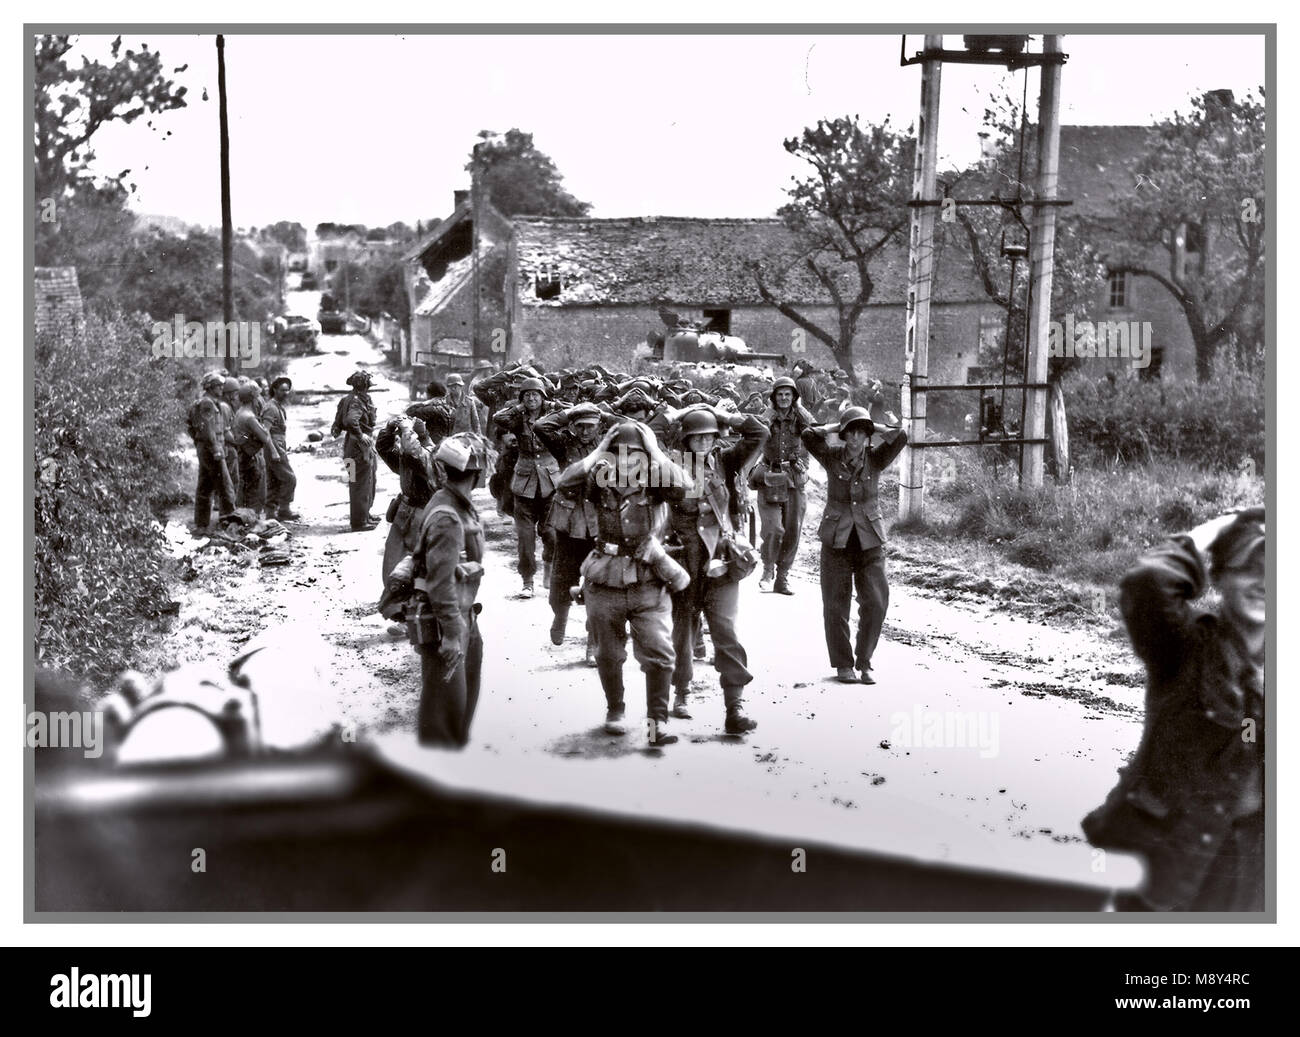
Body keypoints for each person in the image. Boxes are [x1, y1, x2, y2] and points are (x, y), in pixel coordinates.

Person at [1083, 508, 1265, 912]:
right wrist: (1217, 528)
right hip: (1171, 863)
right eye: (1251, 567)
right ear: (1218, 577)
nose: (1265, 582)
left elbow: (1251, 738)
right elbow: (1149, 583)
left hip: (1249, 872)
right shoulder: (1184, 649)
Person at [554, 421, 691, 746]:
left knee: (658, 652)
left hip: (648, 577)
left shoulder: (657, 481)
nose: (627, 459)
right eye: (620, 453)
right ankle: (615, 709)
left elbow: (685, 485)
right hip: (605, 577)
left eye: (635, 453)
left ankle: (656, 725)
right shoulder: (597, 480)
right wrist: (598, 452)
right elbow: (563, 482)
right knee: (608, 653)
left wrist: (657, 452)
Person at [665, 405, 767, 733]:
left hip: (720, 561)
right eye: (696, 438)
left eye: (709, 436)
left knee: (726, 630)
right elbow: (644, 439)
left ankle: (734, 708)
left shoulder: (724, 461)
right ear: (685, 438)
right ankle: (681, 693)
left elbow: (759, 433)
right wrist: (678, 412)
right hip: (684, 561)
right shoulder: (668, 466)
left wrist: (723, 415)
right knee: (682, 631)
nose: (704, 443)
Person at [801, 406, 907, 684]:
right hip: (836, 538)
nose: (856, 439)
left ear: (867, 436)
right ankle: (843, 665)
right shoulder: (831, 456)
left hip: (869, 539)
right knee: (835, 604)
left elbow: (901, 436)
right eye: (851, 433)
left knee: (876, 601)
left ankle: (865, 660)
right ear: (844, 435)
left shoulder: (876, 459)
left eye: (862, 433)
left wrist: (878, 426)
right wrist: (835, 426)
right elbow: (808, 435)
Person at [409, 433, 489, 748]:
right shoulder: (448, 515)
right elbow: (440, 583)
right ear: (477, 472)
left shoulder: (453, 502)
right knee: (444, 713)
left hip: (462, 615)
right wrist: (454, 633)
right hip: (448, 621)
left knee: (459, 710)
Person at [534, 401, 613, 656]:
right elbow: (540, 426)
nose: (585, 432)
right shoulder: (564, 444)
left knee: (598, 584)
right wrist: (570, 412)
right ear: (573, 427)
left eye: (590, 426)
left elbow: (630, 426)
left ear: (599, 427)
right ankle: (561, 615)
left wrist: (604, 413)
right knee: (560, 582)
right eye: (580, 426)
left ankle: (594, 641)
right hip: (569, 522)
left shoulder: (611, 446)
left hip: (599, 523)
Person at [492, 377, 560, 598]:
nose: (532, 398)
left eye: (536, 395)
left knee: (551, 533)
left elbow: (572, 414)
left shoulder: (552, 416)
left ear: (543, 397)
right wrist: (519, 407)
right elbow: (498, 417)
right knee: (525, 537)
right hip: (524, 483)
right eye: (527, 395)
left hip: (550, 482)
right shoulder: (517, 418)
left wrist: (554, 407)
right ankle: (527, 581)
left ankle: (549, 564)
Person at [753, 376, 814, 595]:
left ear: (794, 396)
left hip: (794, 477)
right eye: (780, 394)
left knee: (792, 530)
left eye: (788, 394)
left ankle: (783, 576)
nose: (784, 398)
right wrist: (766, 417)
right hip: (770, 474)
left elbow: (814, 437)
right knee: (773, 528)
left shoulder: (801, 416)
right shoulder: (767, 416)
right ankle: (768, 570)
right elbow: (757, 432)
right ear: (774, 397)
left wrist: (804, 465)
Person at [377, 415, 439, 583]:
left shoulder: (430, 454)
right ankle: (394, 601)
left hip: (422, 514)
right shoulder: (408, 455)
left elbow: (413, 452)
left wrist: (406, 429)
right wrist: (388, 430)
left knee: (421, 567)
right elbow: (384, 449)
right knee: (392, 561)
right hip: (404, 512)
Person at [188, 370, 237, 529]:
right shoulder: (207, 403)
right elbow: (208, 429)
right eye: (218, 386)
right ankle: (230, 523)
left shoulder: (204, 402)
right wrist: (216, 449)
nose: (221, 388)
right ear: (210, 387)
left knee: (205, 485)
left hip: (206, 448)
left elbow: (191, 427)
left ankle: (201, 524)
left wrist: (199, 443)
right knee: (225, 485)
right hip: (212, 449)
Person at [231, 381, 284, 517]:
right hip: (252, 458)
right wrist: (274, 452)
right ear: (253, 398)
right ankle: (252, 521)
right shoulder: (249, 417)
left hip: (242, 456)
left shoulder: (239, 413)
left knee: (245, 490)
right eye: (258, 396)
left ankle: (244, 519)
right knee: (257, 493)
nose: (261, 399)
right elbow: (264, 436)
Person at [337, 370, 380, 531]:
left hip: (353, 446)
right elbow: (350, 420)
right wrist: (361, 435)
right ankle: (359, 521)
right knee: (360, 482)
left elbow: (339, 423)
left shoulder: (349, 398)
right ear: (364, 385)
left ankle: (364, 515)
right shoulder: (357, 401)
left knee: (366, 480)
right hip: (358, 447)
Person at [262, 376, 300, 521]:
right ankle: (284, 509)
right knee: (289, 478)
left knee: (274, 480)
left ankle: (271, 513)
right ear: (275, 390)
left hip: (277, 445)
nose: (286, 393)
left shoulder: (277, 406)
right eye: (283, 390)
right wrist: (273, 450)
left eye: (288, 390)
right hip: (273, 446)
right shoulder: (271, 408)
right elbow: (265, 431)